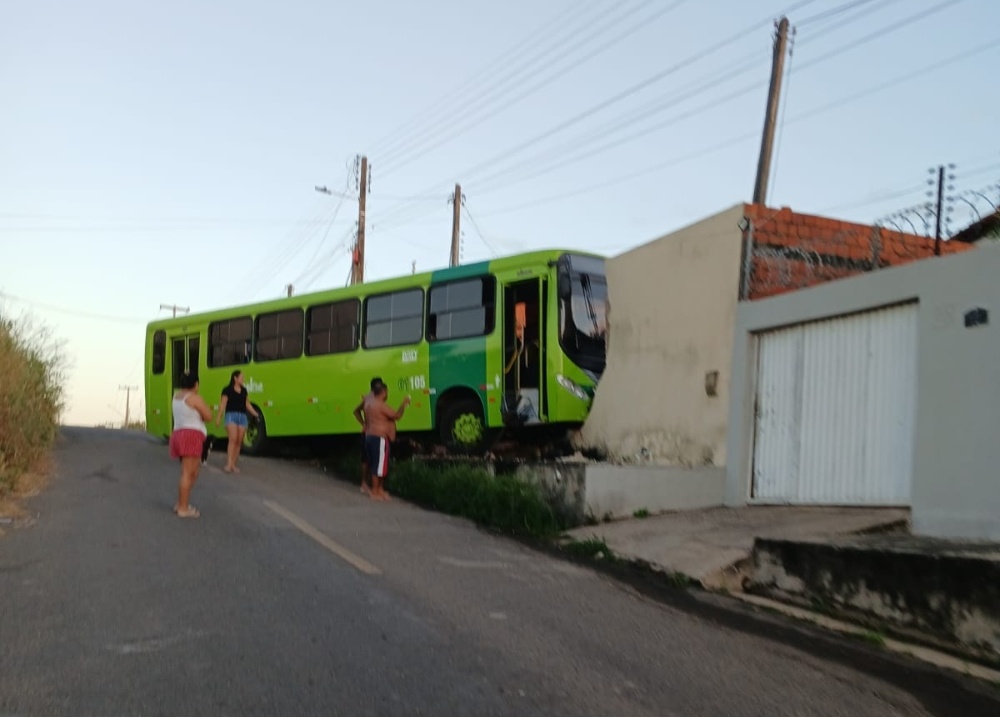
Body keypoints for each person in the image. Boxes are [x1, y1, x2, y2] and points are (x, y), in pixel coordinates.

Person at [170, 372, 212, 518]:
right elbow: (208, 416)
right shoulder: (194, 398)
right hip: (191, 435)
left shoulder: (176, 397)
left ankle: (182, 502)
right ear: (196, 385)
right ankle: (183, 508)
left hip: (179, 434)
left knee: (193, 472)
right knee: (188, 473)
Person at [362, 382, 410, 501]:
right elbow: (396, 415)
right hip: (379, 437)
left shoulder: (368, 403)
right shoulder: (380, 405)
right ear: (383, 392)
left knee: (377, 464)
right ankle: (375, 491)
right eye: (386, 391)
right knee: (378, 465)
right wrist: (404, 404)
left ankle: (379, 489)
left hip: (370, 435)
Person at [216, 369, 259, 473]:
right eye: (241, 377)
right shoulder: (227, 390)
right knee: (233, 439)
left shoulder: (244, 390)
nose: (243, 379)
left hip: (242, 416)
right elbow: (223, 404)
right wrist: (218, 417)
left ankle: (233, 464)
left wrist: (255, 413)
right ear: (235, 378)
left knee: (239, 441)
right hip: (231, 415)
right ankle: (229, 463)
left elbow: (247, 404)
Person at [352, 376, 384, 495]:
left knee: (367, 459)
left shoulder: (368, 398)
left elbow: (356, 411)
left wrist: (363, 423)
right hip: (372, 432)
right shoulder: (373, 398)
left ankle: (366, 483)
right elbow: (356, 411)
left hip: (367, 431)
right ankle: (369, 485)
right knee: (371, 459)